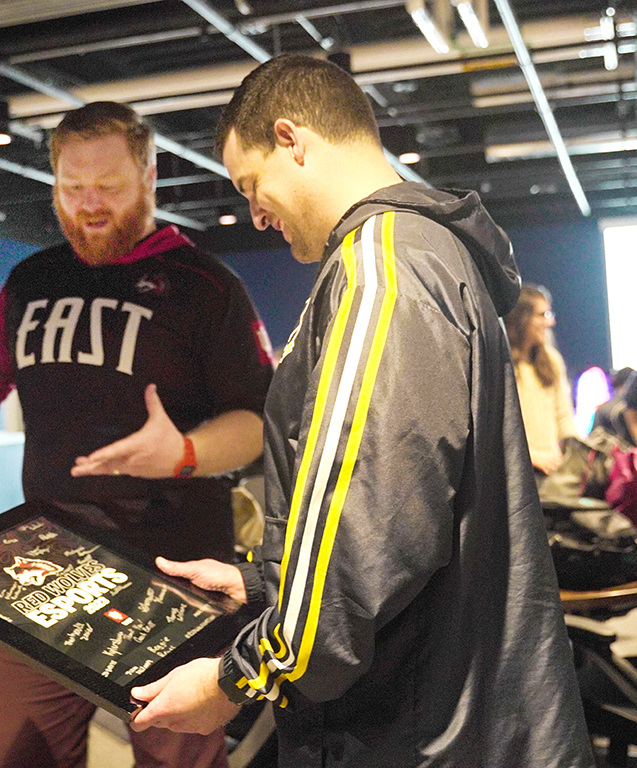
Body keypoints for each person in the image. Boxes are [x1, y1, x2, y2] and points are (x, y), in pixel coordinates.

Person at [125, 54, 595, 767]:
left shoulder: (382, 267)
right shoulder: (420, 254)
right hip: (445, 703)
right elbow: (407, 513)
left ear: (292, 140)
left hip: (414, 728)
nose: (255, 214)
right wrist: (264, 584)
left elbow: (367, 530)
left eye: (251, 185)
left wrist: (237, 678)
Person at [0, 101, 274, 768]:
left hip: (171, 572)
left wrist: (184, 454)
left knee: (178, 761)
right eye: (72, 186)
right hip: (43, 566)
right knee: (19, 755)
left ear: (148, 177)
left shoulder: (206, 286)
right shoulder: (32, 280)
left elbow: (257, 424)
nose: (88, 204)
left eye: (108, 186)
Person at [504, 283, 579, 475]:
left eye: (549, 314)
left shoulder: (551, 360)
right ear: (521, 318)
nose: (550, 322)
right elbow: (497, 429)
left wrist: (574, 451)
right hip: (517, 472)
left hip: (553, 469)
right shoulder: (502, 363)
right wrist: (530, 456)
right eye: (542, 315)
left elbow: (564, 416)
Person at [593, 367, 637, 447]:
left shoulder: (604, 409)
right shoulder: (612, 410)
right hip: (622, 450)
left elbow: (594, 436)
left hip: (611, 450)